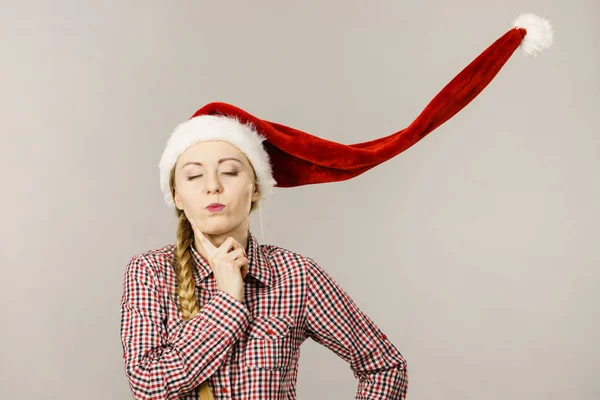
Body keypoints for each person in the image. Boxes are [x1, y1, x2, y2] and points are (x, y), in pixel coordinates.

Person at [120, 13, 552, 399]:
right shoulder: (148, 273)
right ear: (176, 195)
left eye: (230, 171)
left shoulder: (294, 277)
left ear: (255, 188)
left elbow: (384, 366)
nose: (212, 186)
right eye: (194, 176)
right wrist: (229, 298)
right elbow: (150, 383)